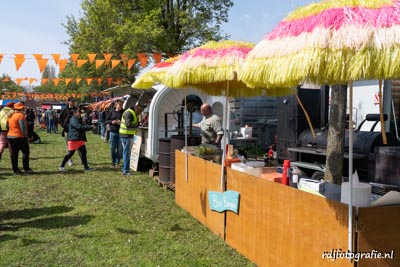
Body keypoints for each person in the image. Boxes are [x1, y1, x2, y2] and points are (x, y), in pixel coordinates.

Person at [6, 102, 34, 175]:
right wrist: (26, 136)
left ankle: (16, 170)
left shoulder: (10, 115)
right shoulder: (21, 116)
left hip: (10, 136)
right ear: (21, 109)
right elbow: (23, 128)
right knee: (25, 152)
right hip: (19, 136)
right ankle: (26, 169)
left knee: (14, 154)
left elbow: (7, 126)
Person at [119, 104, 143, 176]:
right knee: (127, 153)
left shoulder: (131, 112)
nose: (138, 114)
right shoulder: (128, 113)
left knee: (126, 153)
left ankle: (124, 169)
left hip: (127, 135)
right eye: (138, 112)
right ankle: (126, 170)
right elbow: (128, 125)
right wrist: (137, 126)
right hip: (125, 135)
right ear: (136, 110)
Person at [59, 97, 78, 166]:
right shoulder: (64, 110)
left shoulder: (76, 109)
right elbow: (60, 120)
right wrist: (65, 126)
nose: (73, 103)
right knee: (69, 146)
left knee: (79, 145)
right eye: (71, 101)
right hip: (67, 130)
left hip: (76, 131)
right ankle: (69, 160)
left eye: (74, 101)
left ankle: (83, 160)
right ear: (68, 102)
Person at [105, 100, 124, 168]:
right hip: (113, 132)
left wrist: (121, 122)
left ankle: (117, 162)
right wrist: (111, 122)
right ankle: (113, 162)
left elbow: (126, 121)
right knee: (112, 148)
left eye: (121, 105)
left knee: (120, 148)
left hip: (121, 132)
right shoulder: (111, 111)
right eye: (119, 105)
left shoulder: (123, 112)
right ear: (116, 105)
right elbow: (106, 120)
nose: (120, 106)